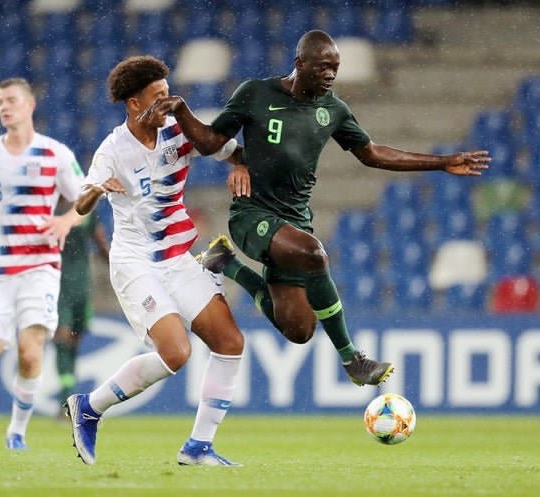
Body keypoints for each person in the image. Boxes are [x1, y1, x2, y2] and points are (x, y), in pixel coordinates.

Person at [144, 29, 490, 386]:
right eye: (323, 67)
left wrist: (442, 161)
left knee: (299, 330)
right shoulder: (256, 93)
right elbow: (212, 142)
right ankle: (352, 358)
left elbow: (371, 154)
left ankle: (226, 264)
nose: (330, 75)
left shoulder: (333, 110)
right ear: (299, 63)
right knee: (314, 254)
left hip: (294, 222)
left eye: (335, 69)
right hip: (251, 217)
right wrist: (184, 112)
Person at [65, 55, 244, 466]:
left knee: (230, 342)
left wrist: (241, 165)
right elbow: (80, 202)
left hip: (176, 258)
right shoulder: (114, 148)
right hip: (135, 263)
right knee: (176, 353)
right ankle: (89, 406)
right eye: (159, 96)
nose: (169, 102)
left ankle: (198, 447)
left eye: (168, 92)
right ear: (134, 103)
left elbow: (224, 147)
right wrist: (97, 191)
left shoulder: (179, 130)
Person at [0, 77, 85, 450]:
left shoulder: (56, 154)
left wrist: (65, 220)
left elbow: (86, 197)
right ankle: (4, 330)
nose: (4, 107)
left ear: (30, 105)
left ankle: (17, 430)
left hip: (39, 268)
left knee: (30, 353)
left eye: (11, 100)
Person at [53, 204, 109, 413]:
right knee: (62, 338)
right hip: (59, 287)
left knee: (73, 341)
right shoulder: (50, 210)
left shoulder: (86, 211)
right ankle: (64, 396)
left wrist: (115, 265)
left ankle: (68, 395)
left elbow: (100, 242)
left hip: (81, 288)